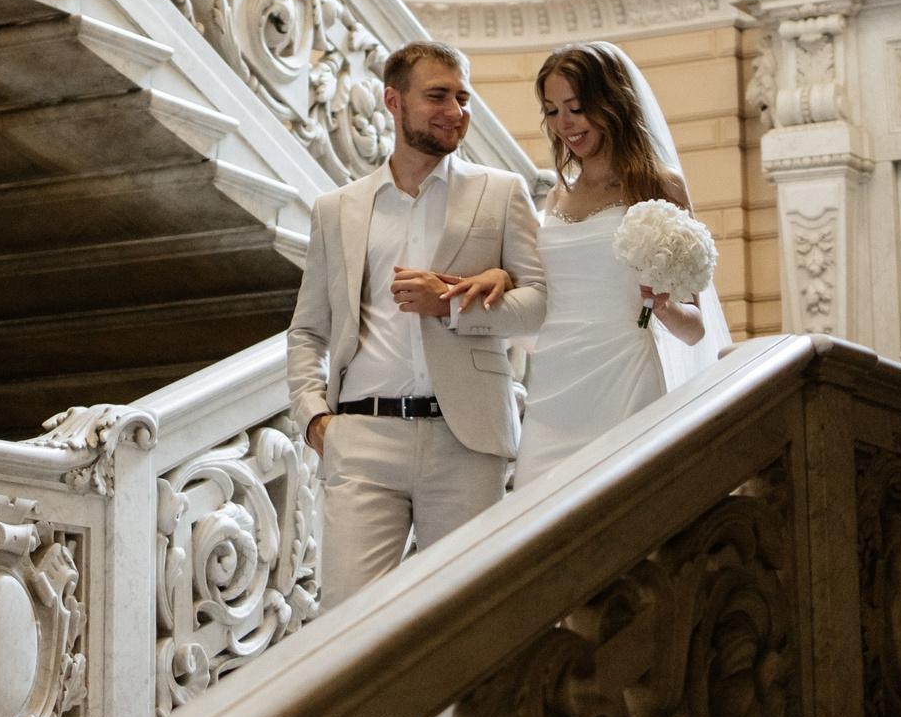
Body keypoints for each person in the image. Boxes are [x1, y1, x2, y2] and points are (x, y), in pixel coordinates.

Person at [286, 41, 549, 607]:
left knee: (463, 621)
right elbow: (308, 329)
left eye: (462, 97)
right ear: (392, 101)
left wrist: (451, 304)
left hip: (467, 441)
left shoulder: (501, 193)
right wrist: (314, 418)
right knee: (347, 628)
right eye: (437, 96)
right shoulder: (338, 209)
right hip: (361, 437)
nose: (456, 110)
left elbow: (539, 307)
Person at [504, 41, 733, 490]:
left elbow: (694, 329)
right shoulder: (555, 198)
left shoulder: (658, 184)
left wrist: (663, 307)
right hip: (553, 382)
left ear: (611, 103)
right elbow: (544, 300)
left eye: (576, 107)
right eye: (552, 111)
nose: (564, 124)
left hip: (624, 374)